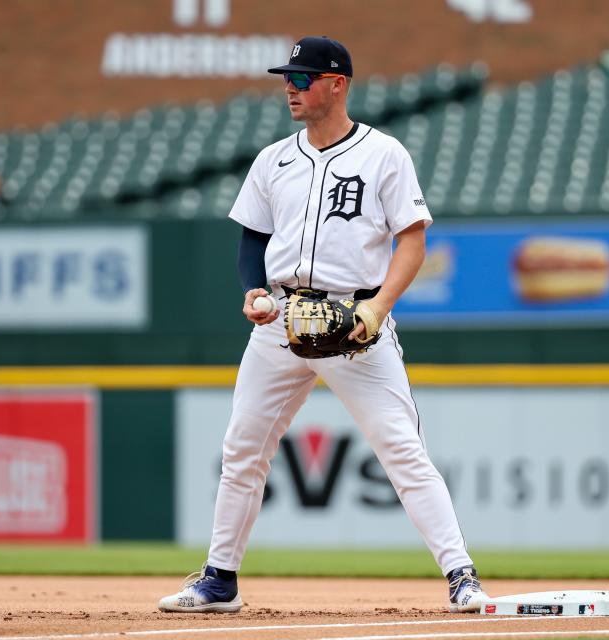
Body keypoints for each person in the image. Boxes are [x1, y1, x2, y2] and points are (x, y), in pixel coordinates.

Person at [158, 36, 488, 614]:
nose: (290, 86)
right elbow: (252, 242)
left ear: (337, 84)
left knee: (402, 449)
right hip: (281, 321)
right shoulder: (273, 159)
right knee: (242, 449)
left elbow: (412, 243)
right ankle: (219, 579)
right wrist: (254, 291)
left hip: (356, 323)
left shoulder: (384, 154)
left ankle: (462, 575)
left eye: (303, 78)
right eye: (287, 77)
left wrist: (378, 308)